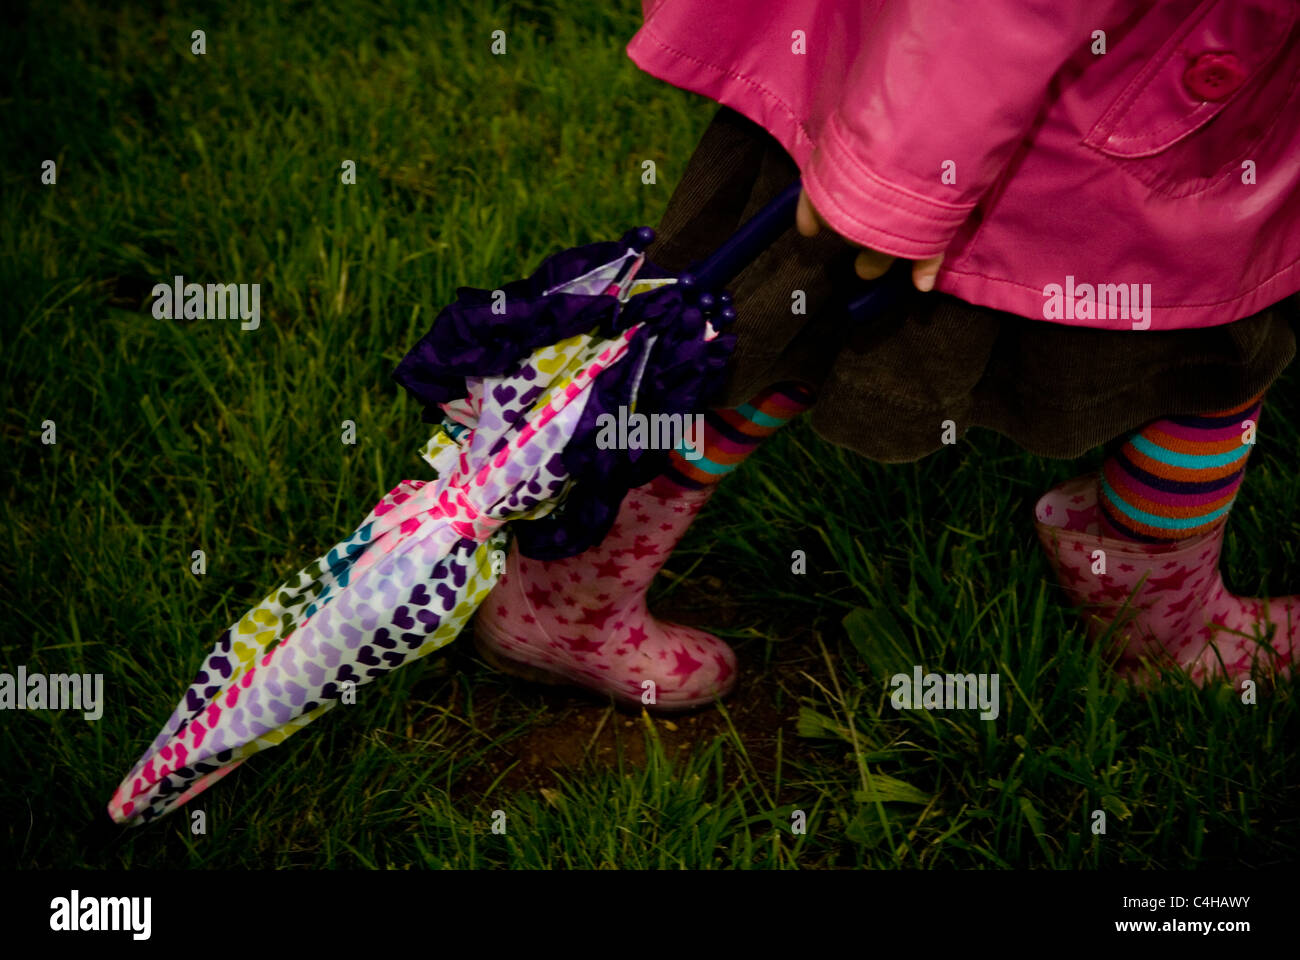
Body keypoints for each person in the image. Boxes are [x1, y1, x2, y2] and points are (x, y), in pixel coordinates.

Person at [473, 0, 1300, 708]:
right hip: (983, 128)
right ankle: (569, 588)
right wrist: (897, 180)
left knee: (771, 341)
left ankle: (572, 582)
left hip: (1144, 132)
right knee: (757, 342)